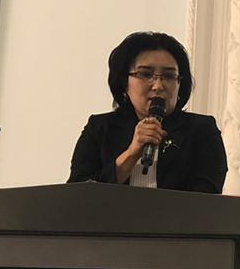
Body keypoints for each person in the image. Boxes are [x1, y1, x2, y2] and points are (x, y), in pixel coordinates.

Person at [68, 31, 226, 193]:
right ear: (124, 82)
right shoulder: (99, 128)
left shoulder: (202, 131)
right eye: (145, 74)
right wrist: (131, 154)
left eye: (169, 76)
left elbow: (205, 199)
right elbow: (77, 195)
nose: (158, 86)